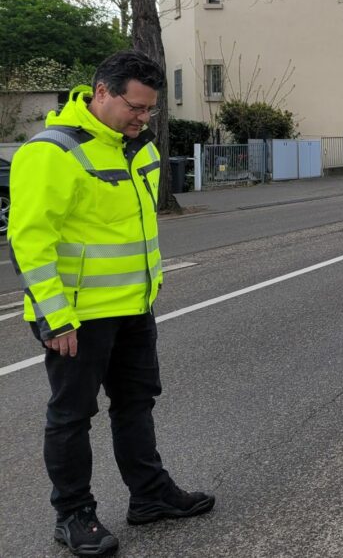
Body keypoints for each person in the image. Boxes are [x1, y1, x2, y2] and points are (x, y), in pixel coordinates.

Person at [9, 51, 215, 556]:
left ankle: (149, 496)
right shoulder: (52, 152)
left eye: (150, 110)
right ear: (102, 91)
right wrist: (55, 317)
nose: (143, 119)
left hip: (132, 308)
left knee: (136, 405)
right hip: (76, 316)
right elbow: (29, 243)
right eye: (135, 107)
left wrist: (148, 291)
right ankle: (73, 514)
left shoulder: (138, 148)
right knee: (71, 417)